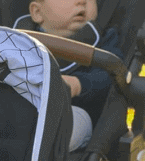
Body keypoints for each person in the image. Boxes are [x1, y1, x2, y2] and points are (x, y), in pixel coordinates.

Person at [14, 0, 123, 151]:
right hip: (14, 106)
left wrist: (78, 84)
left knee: (66, 123)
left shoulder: (104, 39)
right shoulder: (16, 38)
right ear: (37, 12)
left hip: (73, 111)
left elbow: (111, 78)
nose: (82, 2)